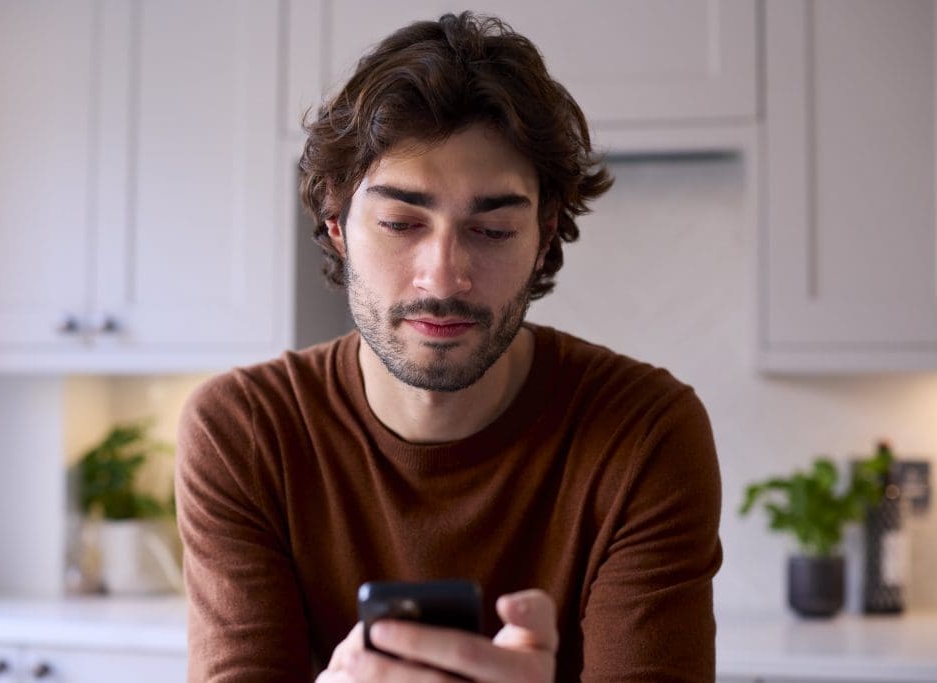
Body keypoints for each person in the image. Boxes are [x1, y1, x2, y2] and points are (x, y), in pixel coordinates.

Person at [176, 11, 722, 683]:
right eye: (401, 222)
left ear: (545, 236)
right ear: (338, 225)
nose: (443, 276)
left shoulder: (644, 434)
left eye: (491, 229)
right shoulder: (243, 429)